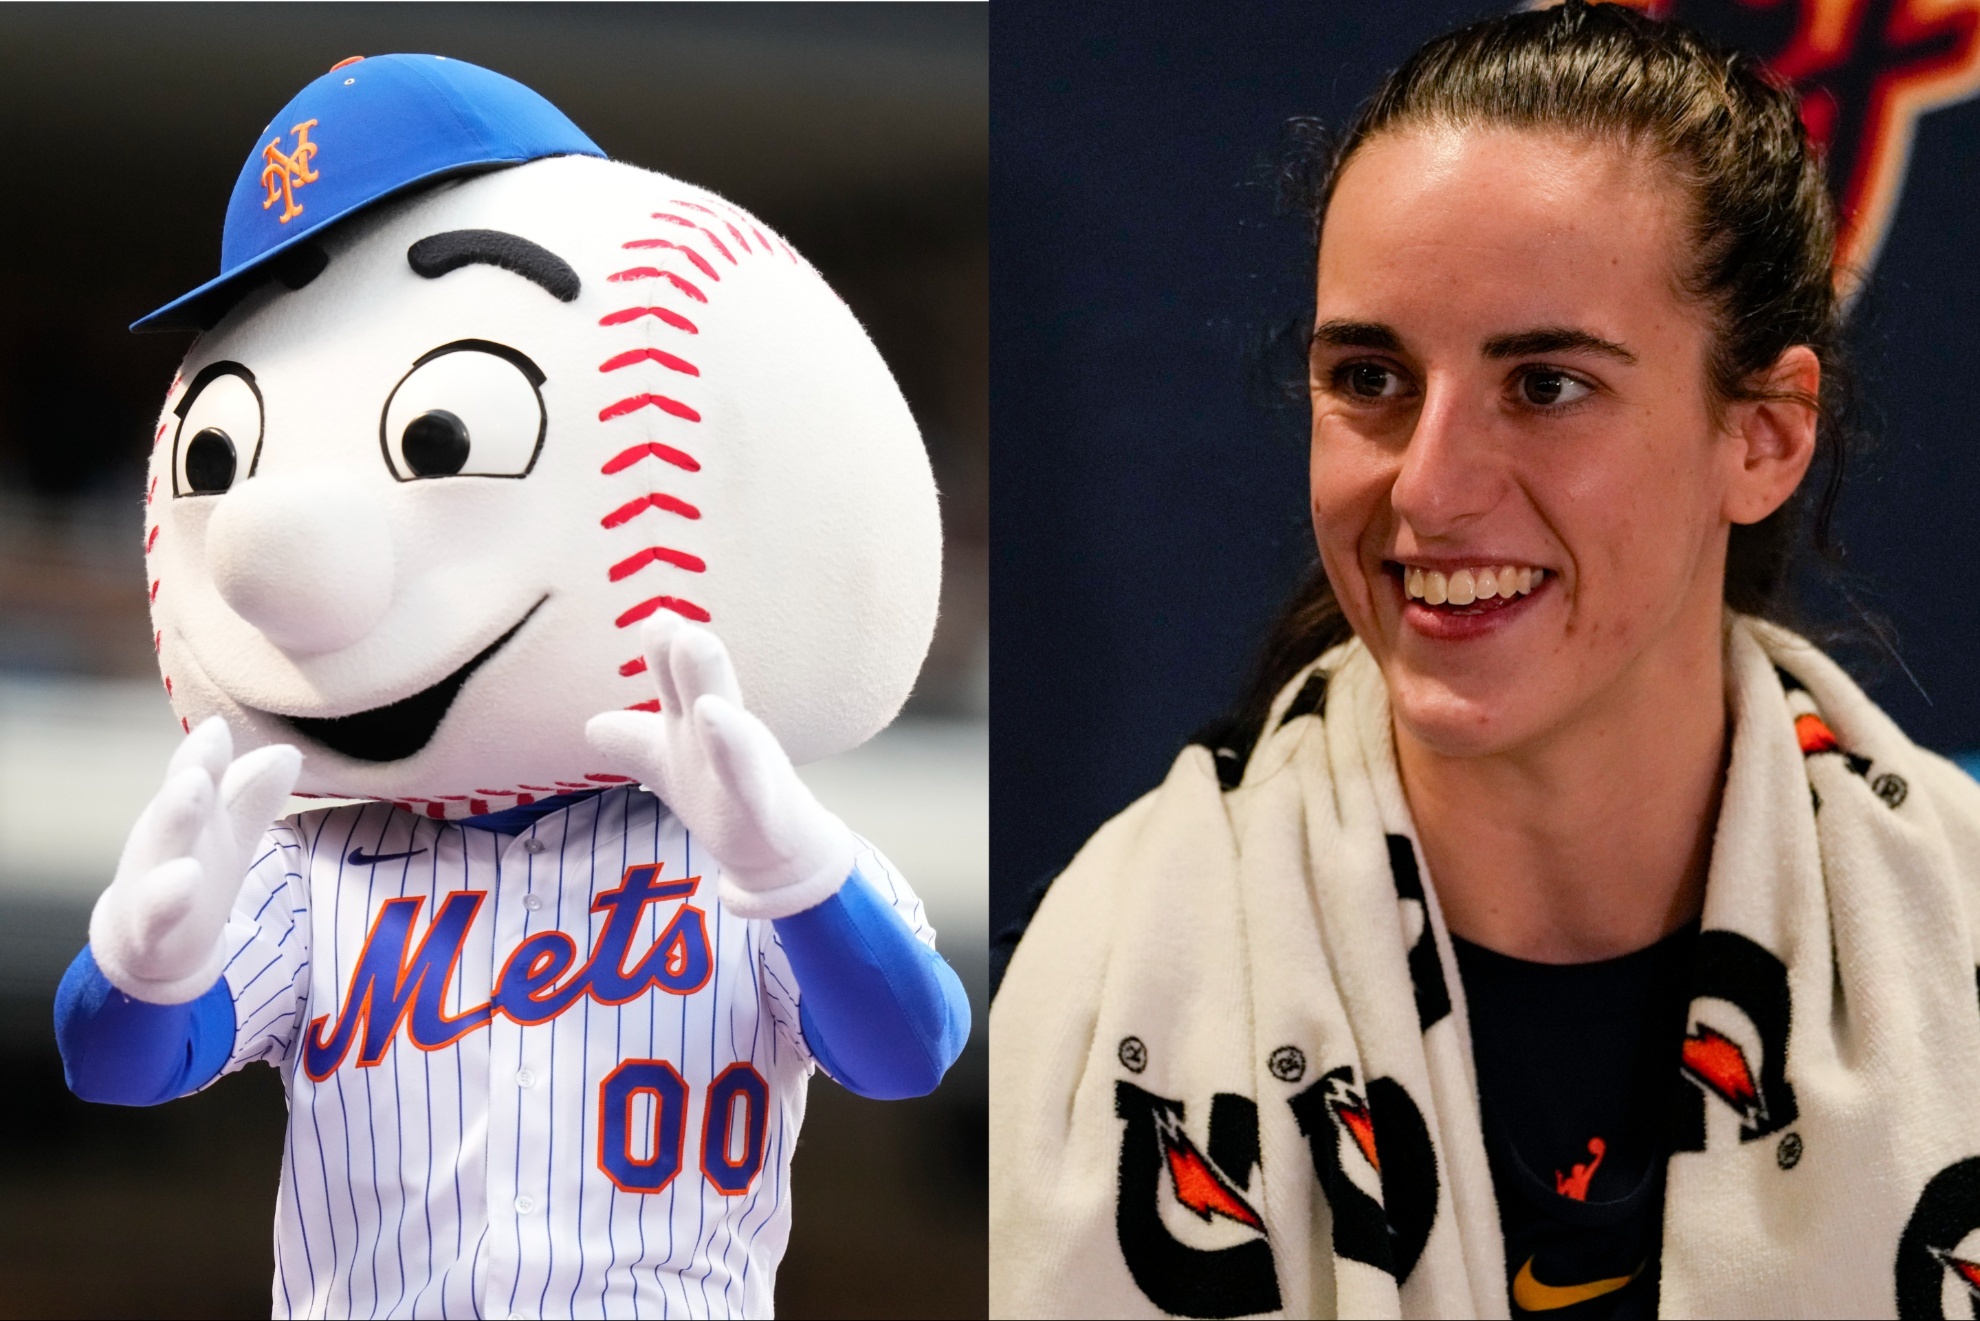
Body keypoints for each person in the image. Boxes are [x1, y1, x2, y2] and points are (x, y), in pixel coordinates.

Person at [990, 4, 1980, 1317]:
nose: (1432, 490)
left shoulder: (1958, 929)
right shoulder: (1096, 974)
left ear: (1765, 436)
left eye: (1547, 386)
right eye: (1373, 378)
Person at [53, 54, 968, 1318]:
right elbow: (122, 1072)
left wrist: (806, 884)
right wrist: (135, 968)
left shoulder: (745, 833)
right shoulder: (303, 867)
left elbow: (909, 1053)